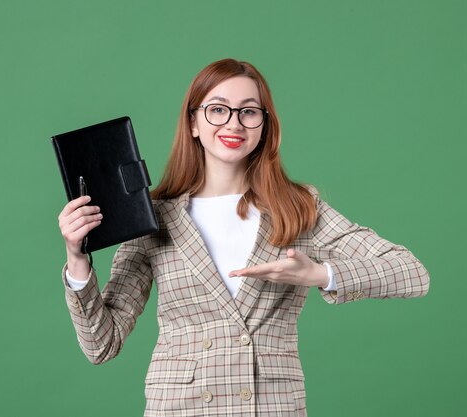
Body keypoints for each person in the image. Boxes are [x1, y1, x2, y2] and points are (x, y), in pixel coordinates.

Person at [57, 58, 430, 416]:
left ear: (264, 125)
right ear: (193, 123)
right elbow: (101, 344)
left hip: (271, 407)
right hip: (179, 408)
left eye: (248, 112)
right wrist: (77, 258)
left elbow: (412, 273)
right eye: (217, 109)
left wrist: (318, 274)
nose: (233, 124)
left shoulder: (298, 207)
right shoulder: (155, 216)